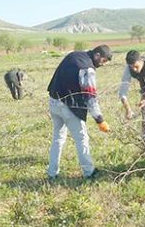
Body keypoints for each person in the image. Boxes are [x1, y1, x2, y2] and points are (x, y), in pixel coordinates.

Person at [46, 45, 112, 180]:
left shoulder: (74, 55)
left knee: (58, 138)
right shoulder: (87, 68)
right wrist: (100, 120)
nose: (103, 64)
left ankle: (52, 173)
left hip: (53, 101)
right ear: (97, 55)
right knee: (81, 138)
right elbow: (90, 97)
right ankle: (89, 172)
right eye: (104, 61)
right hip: (68, 106)